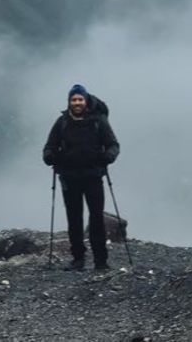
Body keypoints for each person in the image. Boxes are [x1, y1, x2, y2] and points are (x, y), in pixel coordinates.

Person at [43, 83, 120, 271]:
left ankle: (100, 261)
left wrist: (108, 157)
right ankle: (79, 259)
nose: (77, 102)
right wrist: (49, 157)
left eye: (80, 99)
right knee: (74, 219)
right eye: (74, 100)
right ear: (69, 102)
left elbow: (113, 145)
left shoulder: (98, 121)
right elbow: (49, 147)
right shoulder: (62, 123)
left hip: (92, 176)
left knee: (95, 218)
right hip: (70, 178)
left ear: (86, 101)